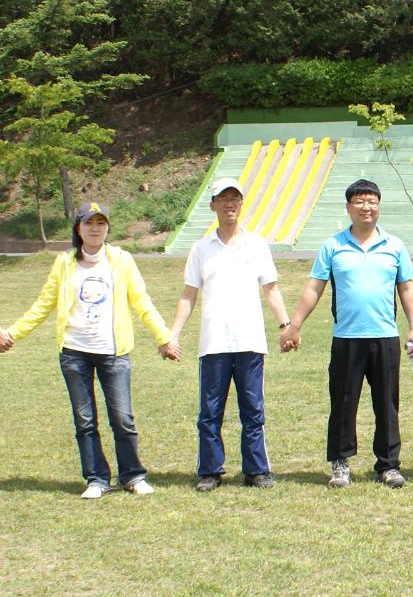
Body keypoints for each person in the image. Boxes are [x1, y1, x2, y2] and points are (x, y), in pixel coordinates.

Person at [0, 202, 178, 498]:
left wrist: (164, 337)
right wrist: (11, 333)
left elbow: (142, 302)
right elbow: (44, 304)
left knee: (122, 417)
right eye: (88, 223)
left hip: (113, 352)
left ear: (107, 228)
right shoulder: (64, 262)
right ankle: (97, 479)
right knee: (85, 420)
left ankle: (132, 476)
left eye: (101, 223)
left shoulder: (121, 260)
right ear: (78, 228)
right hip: (74, 352)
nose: (95, 228)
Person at [280, 179, 413, 489]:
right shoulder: (333, 246)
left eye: (372, 201)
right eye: (359, 201)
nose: (366, 207)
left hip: (385, 337)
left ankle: (388, 465)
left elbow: (406, 288)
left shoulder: (394, 246)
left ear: (379, 206)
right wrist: (295, 325)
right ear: (348, 207)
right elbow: (314, 287)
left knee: (387, 403)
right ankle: (340, 464)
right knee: (343, 402)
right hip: (346, 338)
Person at [168, 179, 291, 491]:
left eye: (234, 198)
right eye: (222, 199)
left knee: (253, 410)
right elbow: (188, 294)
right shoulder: (201, 248)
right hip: (213, 343)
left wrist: (285, 325)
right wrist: (173, 334)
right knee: (210, 412)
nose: (229, 204)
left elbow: (271, 289)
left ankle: (256, 470)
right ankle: (210, 471)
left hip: (249, 341)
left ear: (241, 203)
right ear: (212, 206)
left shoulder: (257, 245)